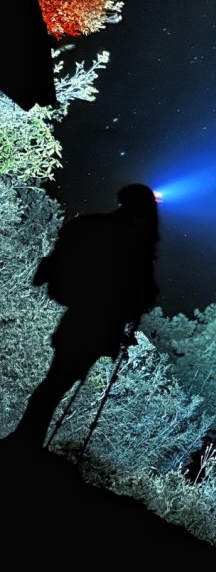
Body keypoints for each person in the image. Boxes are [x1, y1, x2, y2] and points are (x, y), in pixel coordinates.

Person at [8, 183, 160, 448]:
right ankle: (25, 443)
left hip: (80, 318)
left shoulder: (96, 227)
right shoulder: (133, 240)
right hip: (98, 323)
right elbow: (139, 288)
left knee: (57, 380)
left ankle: (26, 440)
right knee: (59, 381)